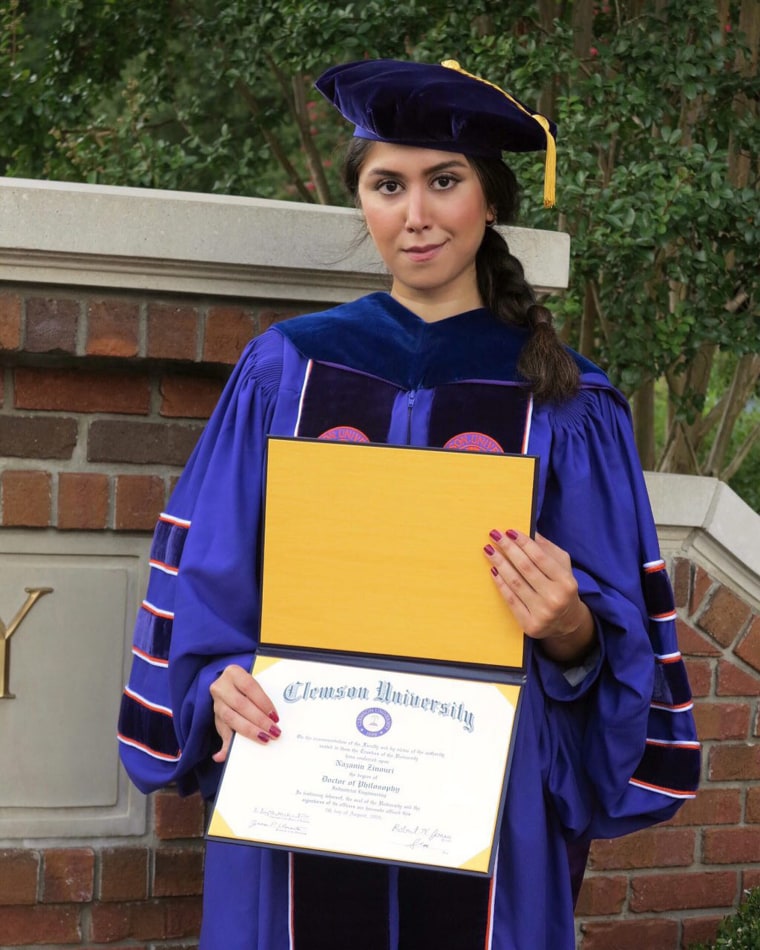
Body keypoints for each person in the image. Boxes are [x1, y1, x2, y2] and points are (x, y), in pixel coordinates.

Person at [118, 58, 699, 949]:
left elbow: (612, 637)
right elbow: (211, 575)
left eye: (445, 181)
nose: (416, 214)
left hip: (485, 794)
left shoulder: (565, 402)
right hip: (300, 774)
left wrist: (572, 626)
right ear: (363, 201)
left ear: (491, 202)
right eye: (389, 185)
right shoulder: (288, 371)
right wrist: (215, 684)